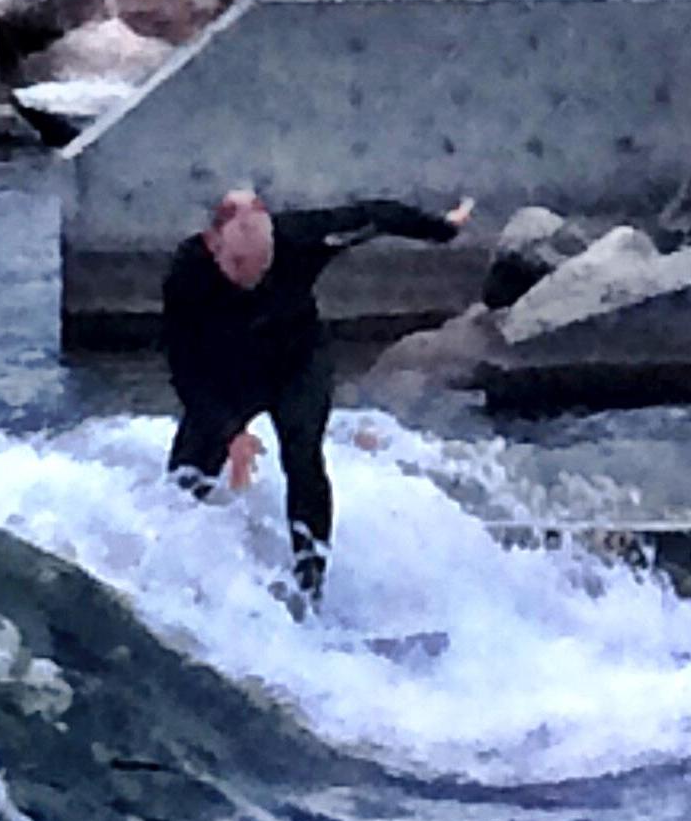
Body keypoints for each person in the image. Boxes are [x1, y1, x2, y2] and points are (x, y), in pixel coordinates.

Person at [163, 186, 470, 605]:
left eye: (261, 265)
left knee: (303, 457)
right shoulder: (188, 270)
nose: (250, 277)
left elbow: (373, 215)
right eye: (237, 265)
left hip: (296, 363)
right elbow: (184, 368)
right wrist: (230, 432)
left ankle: (310, 584)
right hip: (226, 374)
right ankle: (168, 584)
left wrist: (442, 229)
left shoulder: (303, 236)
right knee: (185, 479)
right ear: (213, 244)